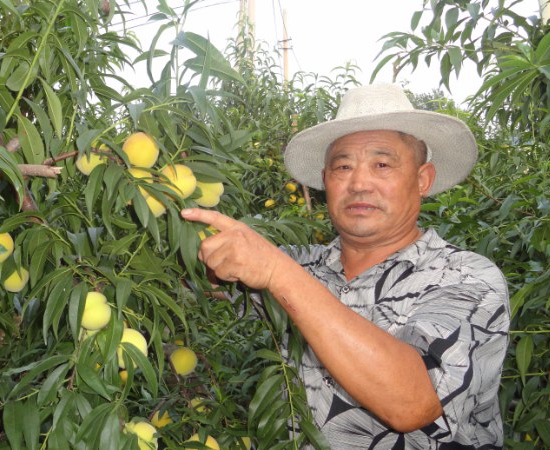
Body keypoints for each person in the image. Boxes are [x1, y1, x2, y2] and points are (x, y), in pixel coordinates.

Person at [181, 84, 510, 449]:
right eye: (342, 167)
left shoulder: (466, 278)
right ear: (326, 182)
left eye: (382, 164)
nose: (359, 183)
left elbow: (411, 405)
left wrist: (276, 272)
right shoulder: (304, 265)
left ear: (422, 180)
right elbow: (203, 277)